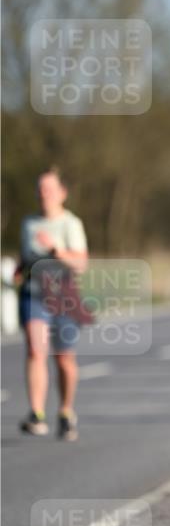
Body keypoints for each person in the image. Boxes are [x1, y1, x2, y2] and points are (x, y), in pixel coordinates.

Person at [14, 168, 89, 441]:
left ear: (62, 194)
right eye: (40, 188)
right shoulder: (28, 224)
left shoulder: (71, 224)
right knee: (36, 350)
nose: (43, 193)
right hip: (34, 294)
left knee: (64, 359)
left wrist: (56, 250)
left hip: (63, 295)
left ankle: (66, 412)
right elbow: (25, 257)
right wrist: (19, 269)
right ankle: (37, 414)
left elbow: (81, 263)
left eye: (48, 189)